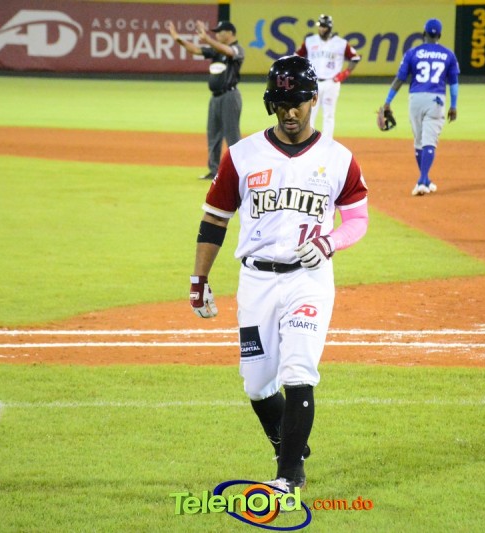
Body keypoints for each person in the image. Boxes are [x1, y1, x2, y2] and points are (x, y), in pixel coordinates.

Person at [188, 55, 369, 493]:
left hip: (309, 279)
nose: (291, 112)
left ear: (313, 101)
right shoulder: (242, 156)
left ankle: (288, 477)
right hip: (256, 282)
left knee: (298, 370)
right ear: (271, 103)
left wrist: (329, 242)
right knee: (256, 384)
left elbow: (357, 219)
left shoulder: (338, 158)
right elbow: (214, 220)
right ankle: (290, 445)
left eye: (298, 102)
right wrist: (199, 279)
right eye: (282, 103)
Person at [382, 18, 459, 196]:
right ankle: (422, 180)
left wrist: (388, 101)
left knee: (418, 141)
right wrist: (453, 105)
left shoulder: (412, 53)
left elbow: (400, 79)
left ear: (424, 33)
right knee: (429, 141)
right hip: (436, 99)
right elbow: (454, 83)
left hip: (415, 99)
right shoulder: (448, 54)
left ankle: (425, 180)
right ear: (439, 35)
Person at [166, 20, 244, 180]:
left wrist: (207, 39)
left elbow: (230, 52)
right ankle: (214, 171)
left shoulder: (237, 48)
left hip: (230, 96)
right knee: (213, 134)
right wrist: (177, 39)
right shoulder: (216, 51)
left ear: (230, 33)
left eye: (220, 32)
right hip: (215, 97)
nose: (217, 34)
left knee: (232, 135)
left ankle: (239, 171)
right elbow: (195, 50)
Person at [295, 14, 361, 140]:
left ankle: (327, 141)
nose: (321, 29)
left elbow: (355, 58)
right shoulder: (310, 41)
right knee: (310, 113)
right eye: (320, 26)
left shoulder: (341, 43)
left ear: (329, 27)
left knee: (329, 114)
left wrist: (345, 73)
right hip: (312, 82)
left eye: (323, 26)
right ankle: (308, 139)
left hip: (331, 83)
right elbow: (296, 56)